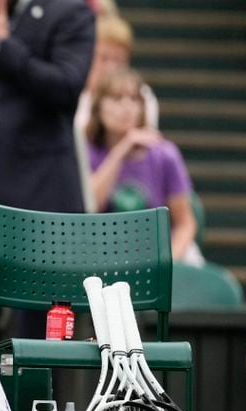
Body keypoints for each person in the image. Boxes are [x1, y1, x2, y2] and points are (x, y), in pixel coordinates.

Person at [0, 0, 95, 270]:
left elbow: (66, 87)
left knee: (36, 303)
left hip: (34, 193)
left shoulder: (71, 12)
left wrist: (2, 44)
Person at [86, 68, 203, 266]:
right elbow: (90, 206)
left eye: (134, 99)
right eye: (116, 98)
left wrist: (167, 264)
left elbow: (186, 223)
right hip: (102, 258)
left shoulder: (165, 154)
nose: (127, 107)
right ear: (99, 107)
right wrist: (121, 150)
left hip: (158, 256)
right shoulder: (87, 152)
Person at [75, 15, 159, 132]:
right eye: (104, 58)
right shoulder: (74, 93)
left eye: (119, 59)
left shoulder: (142, 95)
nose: (111, 67)